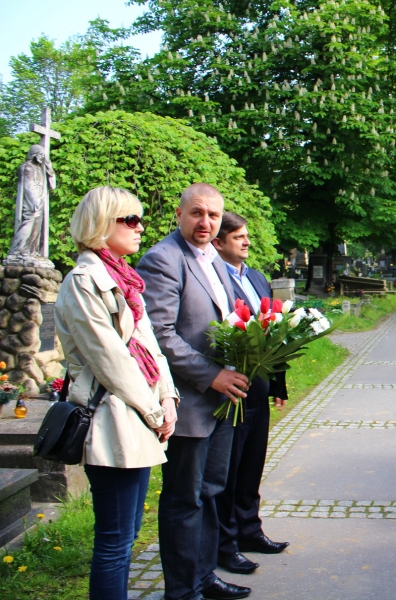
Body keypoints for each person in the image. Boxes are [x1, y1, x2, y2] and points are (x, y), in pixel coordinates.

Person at [55, 186, 178, 599]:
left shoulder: (124, 280)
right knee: (114, 540)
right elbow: (111, 360)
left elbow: (149, 346)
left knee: (128, 534)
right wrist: (155, 412)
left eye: (140, 219)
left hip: (137, 416)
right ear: (100, 225)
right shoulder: (83, 281)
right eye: (130, 220)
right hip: (111, 419)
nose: (140, 227)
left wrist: (168, 398)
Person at [137, 184, 251, 600]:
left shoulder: (215, 259)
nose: (206, 222)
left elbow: (228, 319)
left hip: (221, 401)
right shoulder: (163, 259)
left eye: (213, 216)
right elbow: (160, 334)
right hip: (188, 402)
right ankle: (182, 591)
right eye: (197, 213)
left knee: (211, 492)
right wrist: (212, 375)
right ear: (179, 214)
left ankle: (205, 578)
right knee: (184, 500)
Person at [211, 212, 289, 576]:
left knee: (252, 464)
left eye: (246, 236)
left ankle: (249, 530)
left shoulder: (256, 277)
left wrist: (278, 381)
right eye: (238, 236)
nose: (246, 242)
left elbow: (274, 329)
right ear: (218, 242)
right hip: (230, 388)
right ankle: (225, 542)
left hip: (258, 386)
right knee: (229, 469)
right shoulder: (213, 278)